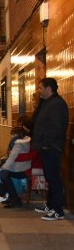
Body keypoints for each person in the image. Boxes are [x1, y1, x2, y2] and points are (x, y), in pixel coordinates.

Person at [31, 77, 69, 220]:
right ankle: (51, 204)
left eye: (40, 88)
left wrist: (46, 144)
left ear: (48, 89)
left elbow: (57, 127)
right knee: (49, 177)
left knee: (54, 179)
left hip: (51, 147)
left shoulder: (57, 104)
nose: (38, 90)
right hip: (46, 147)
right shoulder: (48, 103)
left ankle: (58, 210)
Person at [0, 126, 31, 208]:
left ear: (16, 135)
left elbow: (12, 158)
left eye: (12, 135)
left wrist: (3, 168)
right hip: (25, 167)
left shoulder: (18, 144)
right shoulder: (25, 141)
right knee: (1, 169)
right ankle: (10, 197)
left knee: (2, 173)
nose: (11, 137)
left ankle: (12, 199)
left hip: (20, 170)